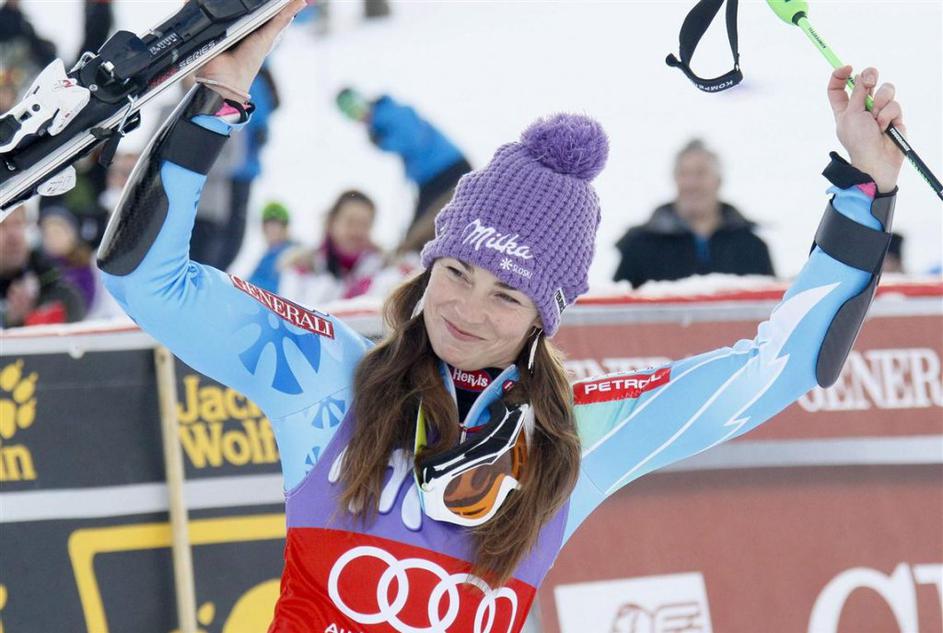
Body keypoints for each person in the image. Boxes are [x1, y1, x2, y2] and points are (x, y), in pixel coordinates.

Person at [96, 3, 906, 629]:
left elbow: (783, 363)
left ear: (544, 316)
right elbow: (147, 278)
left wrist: (863, 191)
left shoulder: (579, 435)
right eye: (455, 272)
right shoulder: (326, 375)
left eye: (506, 294)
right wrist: (216, 104)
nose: (465, 310)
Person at [613, 139, 775, 288]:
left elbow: (774, 311)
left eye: (701, 173)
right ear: (675, 180)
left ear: (718, 181)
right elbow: (615, 309)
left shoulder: (752, 247)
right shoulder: (640, 246)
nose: (692, 184)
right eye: (684, 174)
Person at [337, 87, 472, 254]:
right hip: (431, 179)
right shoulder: (381, 121)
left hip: (446, 171)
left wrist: (383, 141)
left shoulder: (389, 112)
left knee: (421, 232)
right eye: (351, 114)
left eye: (356, 108)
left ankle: (408, 260)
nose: (358, 116)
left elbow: (414, 140)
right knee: (423, 229)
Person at [277, 189, 386, 305]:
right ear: (332, 222)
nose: (357, 231)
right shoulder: (302, 268)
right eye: (350, 222)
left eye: (364, 224)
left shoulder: (384, 270)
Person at [2, 206, 85, 328]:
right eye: (2, 225)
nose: (13, 235)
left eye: (18, 224)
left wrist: (26, 319)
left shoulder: (58, 292)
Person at [247, 201, 296, 293]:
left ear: (285, 228)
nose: (272, 230)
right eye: (268, 226)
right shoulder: (266, 256)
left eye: (276, 226)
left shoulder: (291, 252)